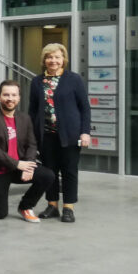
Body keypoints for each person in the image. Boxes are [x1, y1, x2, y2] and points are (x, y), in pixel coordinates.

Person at [0, 80, 56, 222]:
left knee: (47, 175)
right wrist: (17, 164)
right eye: (6, 95)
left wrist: (29, 165)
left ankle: (25, 206)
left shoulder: (25, 118)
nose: (10, 99)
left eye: (13, 95)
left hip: (18, 168)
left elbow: (31, 144)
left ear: (19, 98)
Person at [28, 43, 90, 223]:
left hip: (70, 135)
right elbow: (32, 110)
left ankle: (68, 207)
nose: (53, 60)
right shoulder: (37, 81)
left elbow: (84, 108)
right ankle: (52, 205)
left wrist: (85, 132)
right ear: (44, 60)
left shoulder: (74, 79)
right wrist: (32, 135)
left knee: (69, 171)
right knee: (50, 171)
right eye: (49, 57)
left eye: (56, 57)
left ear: (63, 59)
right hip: (46, 135)